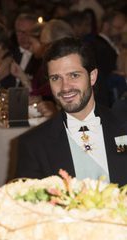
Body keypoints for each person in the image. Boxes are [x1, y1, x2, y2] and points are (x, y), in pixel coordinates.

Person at [15, 37, 127, 186]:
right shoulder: (33, 145)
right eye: (56, 78)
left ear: (92, 77)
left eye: (74, 75)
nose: (65, 87)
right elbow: (25, 206)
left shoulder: (123, 126)